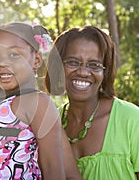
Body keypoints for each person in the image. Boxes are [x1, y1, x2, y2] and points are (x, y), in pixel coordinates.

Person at [0, 22, 66, 179]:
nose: (2, 63)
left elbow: (53, 167)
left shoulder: (36, 102)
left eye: (14, 55)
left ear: (37, 61)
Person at [45, 25, 139, 179]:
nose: (83, 72)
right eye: (73, 62)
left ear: (105, 72)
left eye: (94, 65)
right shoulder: (51, 122)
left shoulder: (132, 120)